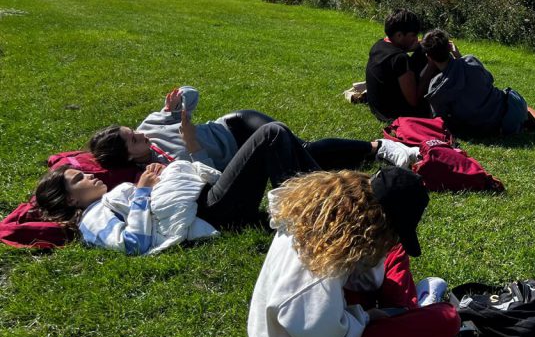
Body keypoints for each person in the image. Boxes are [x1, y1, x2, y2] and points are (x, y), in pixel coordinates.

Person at [247, 167, 461, 337]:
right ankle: (413, 317)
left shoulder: (327, 222)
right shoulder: (320, 270)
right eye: (392, 230)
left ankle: (407, 312)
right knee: (448, 320)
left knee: (395, 249)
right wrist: (367, 318)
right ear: (378, 221)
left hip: (309, 332)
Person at [33, 121, 356, 252]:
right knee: (271, 135)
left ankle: (332, 198)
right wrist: (145, 190)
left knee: (277, 137)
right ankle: (333, 204)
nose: (89, 177)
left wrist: (160, 180)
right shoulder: (92, 219)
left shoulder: (101, 203)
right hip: (211, 212)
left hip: (206, 205)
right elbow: (134, 244)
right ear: (72, 201)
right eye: (78, 181)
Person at [88, 86, 418, 172]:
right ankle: (374, 151)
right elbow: (211, 178)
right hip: (241, 156)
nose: (141, 134)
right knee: (300, 155)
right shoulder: (159, 172)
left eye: (134, 131)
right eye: (134, 140)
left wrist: (180, 104)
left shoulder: (152, 124)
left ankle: (376, 148)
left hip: (238, 123)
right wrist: (192, 144)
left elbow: (192, 93)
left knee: (299, 148)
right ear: (128, 156)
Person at [421, 28, 535, 136]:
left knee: (521, 115)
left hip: (488, 128)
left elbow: (439, 119)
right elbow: (489, 79)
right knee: (524, 109)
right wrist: (459, 56)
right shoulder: (470, 61)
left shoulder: (436, 88)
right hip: (509, 112)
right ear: (449, 47)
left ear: (428, 56)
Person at [365, 10, 432, 122]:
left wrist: (423, 45)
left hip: (378, 108)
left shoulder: (379, 45)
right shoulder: (399, 58)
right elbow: (414, 100)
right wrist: (431, 66)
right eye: (413, 35)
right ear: (399, 35)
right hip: (395, 113)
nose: (416, 39)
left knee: (422, 50)